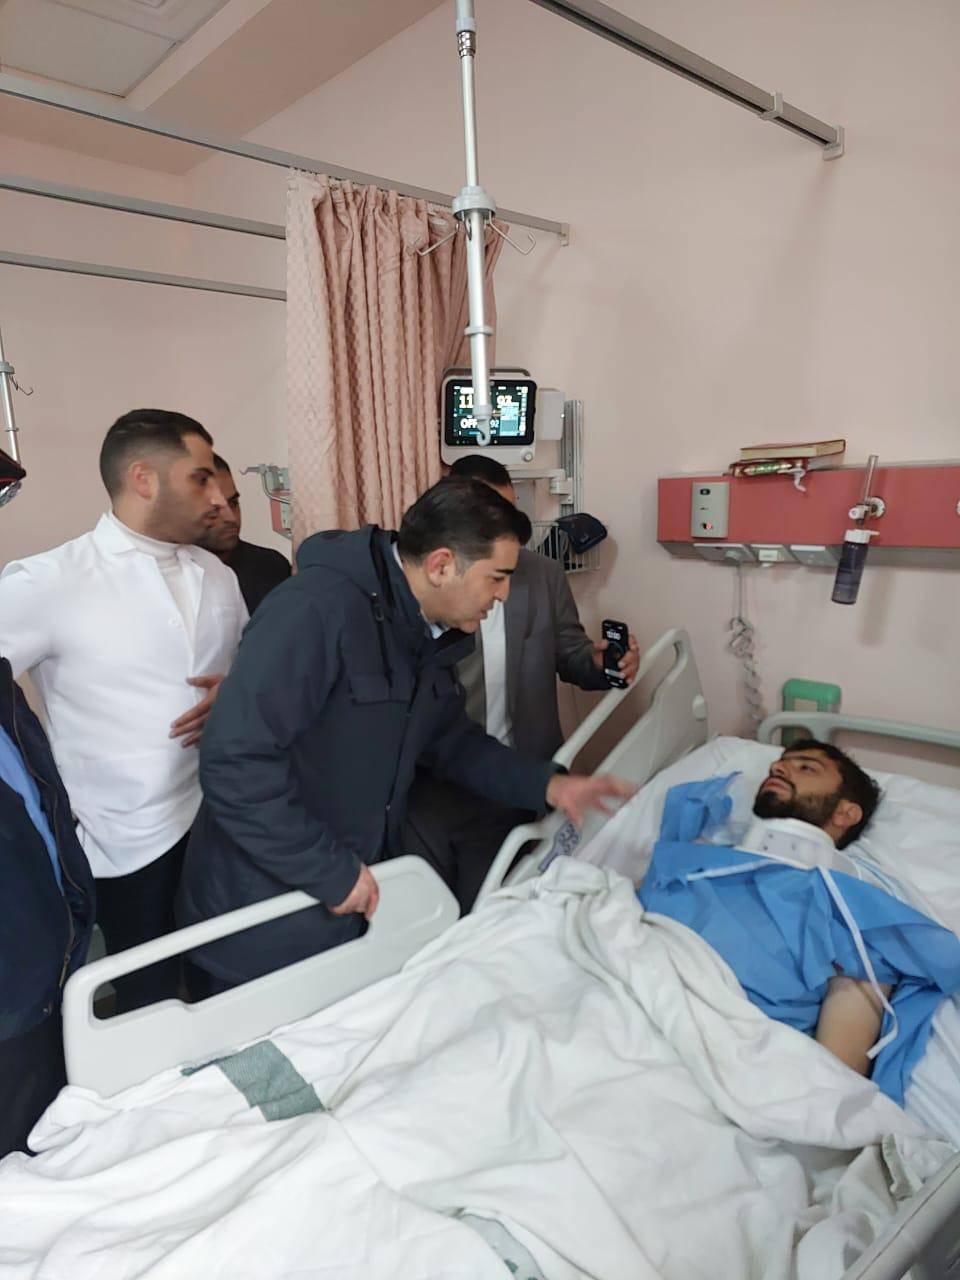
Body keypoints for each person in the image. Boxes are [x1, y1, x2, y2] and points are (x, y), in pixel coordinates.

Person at [176, 475, 633, 996]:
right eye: (497, 577)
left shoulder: (421, 632)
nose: (504, 594)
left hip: (346, 891)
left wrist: (549, 784)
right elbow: (233, 764)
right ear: (441, 565)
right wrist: (329, 871)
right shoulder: (315, 612)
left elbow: (450, 742)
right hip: (263, 910)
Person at [0, 410, 247, 1013]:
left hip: (218, 816)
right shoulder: (50, 581)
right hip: (125, 839)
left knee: (226, 977)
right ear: (144, 479)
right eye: (200, 479)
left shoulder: (216, 575)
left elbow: (247, 663)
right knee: (150, 999)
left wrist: (235, 692)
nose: (219, 498)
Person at [639, 739, 960, 1098]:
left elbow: (835, 1077)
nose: (778, 768)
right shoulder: (692, 857)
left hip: (713, 1064)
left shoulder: (853, 912)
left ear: (846, 814)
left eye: (806, 767)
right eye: (778, 764)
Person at [404, 453, 640, 911]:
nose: (503, 527)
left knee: (514, 905)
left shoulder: (541, 575)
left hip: (522, 771)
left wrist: (604, 663)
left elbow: (571, 655)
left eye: (510, 512)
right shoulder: (428, 592)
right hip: (439, 783)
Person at [1, 652, 95, 1158]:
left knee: (54, 1139)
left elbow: (42, 803)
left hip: (47, 974)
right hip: (12, 1009)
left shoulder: (4, 690)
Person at [195, 453, 291, 615]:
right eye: (214, 509)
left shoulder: (271, 566)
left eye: (233, 503)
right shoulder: (168, 573)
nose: (230, 517)